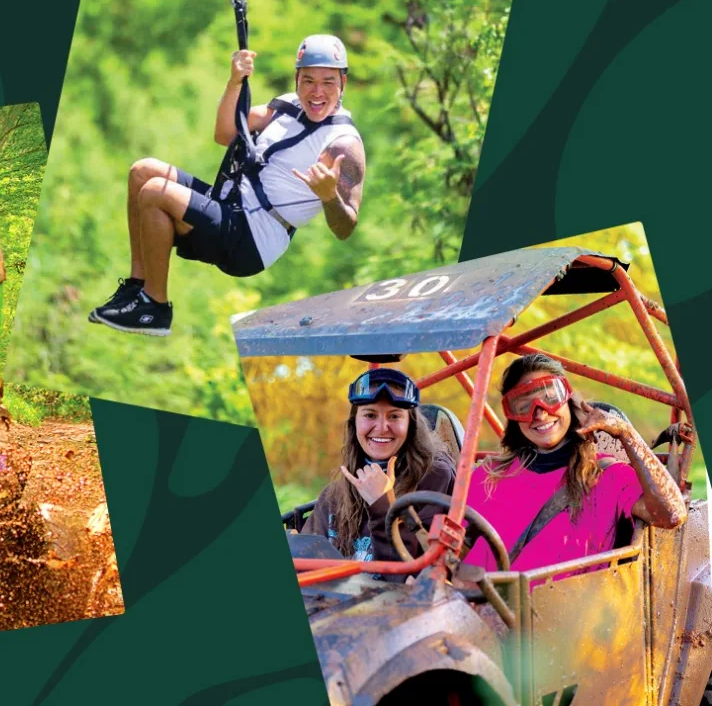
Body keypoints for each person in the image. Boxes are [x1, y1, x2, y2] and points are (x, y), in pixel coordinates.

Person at [90, 34, 367, 337]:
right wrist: (235, 81)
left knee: (156, 192)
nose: (316, 92)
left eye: (328, 82)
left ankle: (155, 307)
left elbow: (346, 227)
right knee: (142, 172)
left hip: (252, 237)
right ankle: (137, 288)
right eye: (308, 81)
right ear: (296, 78)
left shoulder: (343, 145)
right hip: (230, 205)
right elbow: (225, 134)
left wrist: (329, 197)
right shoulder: (286, 107)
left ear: (343, 84)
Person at [464, 354, 687, 572]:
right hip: (480, 605)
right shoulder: (489, 474)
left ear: (568, 400)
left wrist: (626, 433)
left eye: (550, 398)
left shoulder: (609, 475)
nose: (539, 414)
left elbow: (671, 514)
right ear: (512, 415)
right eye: (524, 406)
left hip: (568, 605)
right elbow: (457, 551)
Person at [301, 368, 456, 581]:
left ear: (410, 425)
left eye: (394, 416)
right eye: (370, 415)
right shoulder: (335, 494)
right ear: (354, 423)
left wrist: (382, 503)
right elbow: (303, 564)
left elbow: (414, 578)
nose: (382, 428)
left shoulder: (434, 477)